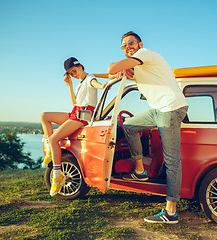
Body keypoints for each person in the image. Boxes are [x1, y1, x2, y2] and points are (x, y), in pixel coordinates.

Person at [108, 31, 188, 224]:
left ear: (140, 44)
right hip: (160, 109)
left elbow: (111, 68)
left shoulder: (144, 54)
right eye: (124, 46)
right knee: (129, 125)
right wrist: (128, 72)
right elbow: (134, 73)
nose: (128, 47)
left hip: (170, 108)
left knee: (172, 160)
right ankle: (140, 171)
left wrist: (119, 68)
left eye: (130, 43)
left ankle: (171, 212)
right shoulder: (140, 65)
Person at [41, 57, 107, 196]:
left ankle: (57, 176)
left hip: (84, 115)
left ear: (81, 66)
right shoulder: (79, 84)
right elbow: (74, 102)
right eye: (71, 73)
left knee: (54, 139)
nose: (74, 74)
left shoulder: (89, 78)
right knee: (44, 116)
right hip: (75, 112)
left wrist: (103, 86)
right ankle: (49, 152)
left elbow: (95, 84)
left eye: (75, 71)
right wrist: (70, 85)